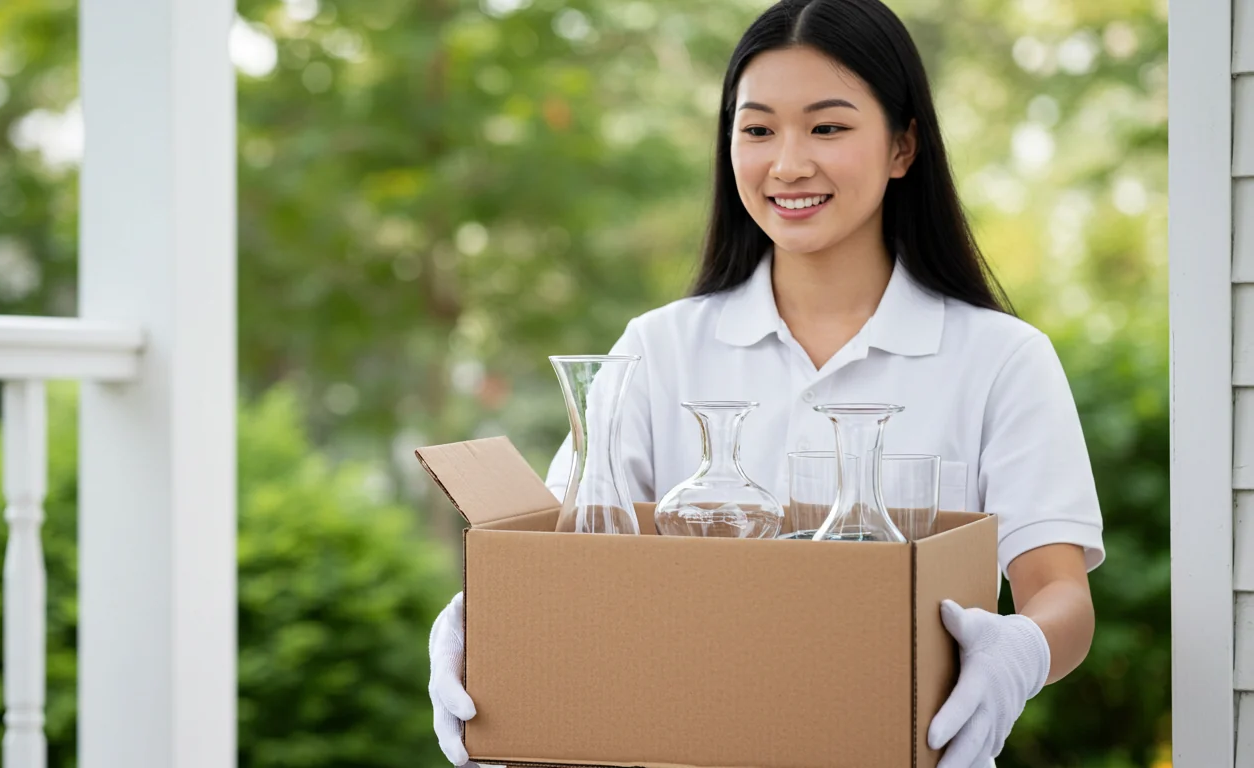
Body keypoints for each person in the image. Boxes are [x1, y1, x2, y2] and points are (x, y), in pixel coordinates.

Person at [427, 0, 1104, 766]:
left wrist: (1020, 650)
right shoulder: (657, 349)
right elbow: (568, 557)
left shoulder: (1000, 358)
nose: (788, 164)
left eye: (828, 127)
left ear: (903, 147)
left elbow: (1062, 596)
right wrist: (485, 622)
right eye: (757, 130)